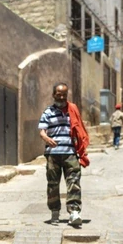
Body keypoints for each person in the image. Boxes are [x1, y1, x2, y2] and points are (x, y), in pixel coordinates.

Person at [38, 82, 89, 226]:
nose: (61, 97)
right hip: (52, 155)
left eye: (64, 95)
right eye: (59, 94)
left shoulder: (72, 110)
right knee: (53, 184)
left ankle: (74, 212)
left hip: (70, 153)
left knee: (74, 182)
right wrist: (47, 138)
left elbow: (78, 129)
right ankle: (55, 212)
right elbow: (42, 131)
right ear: (53, 95)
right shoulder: (48, 112)